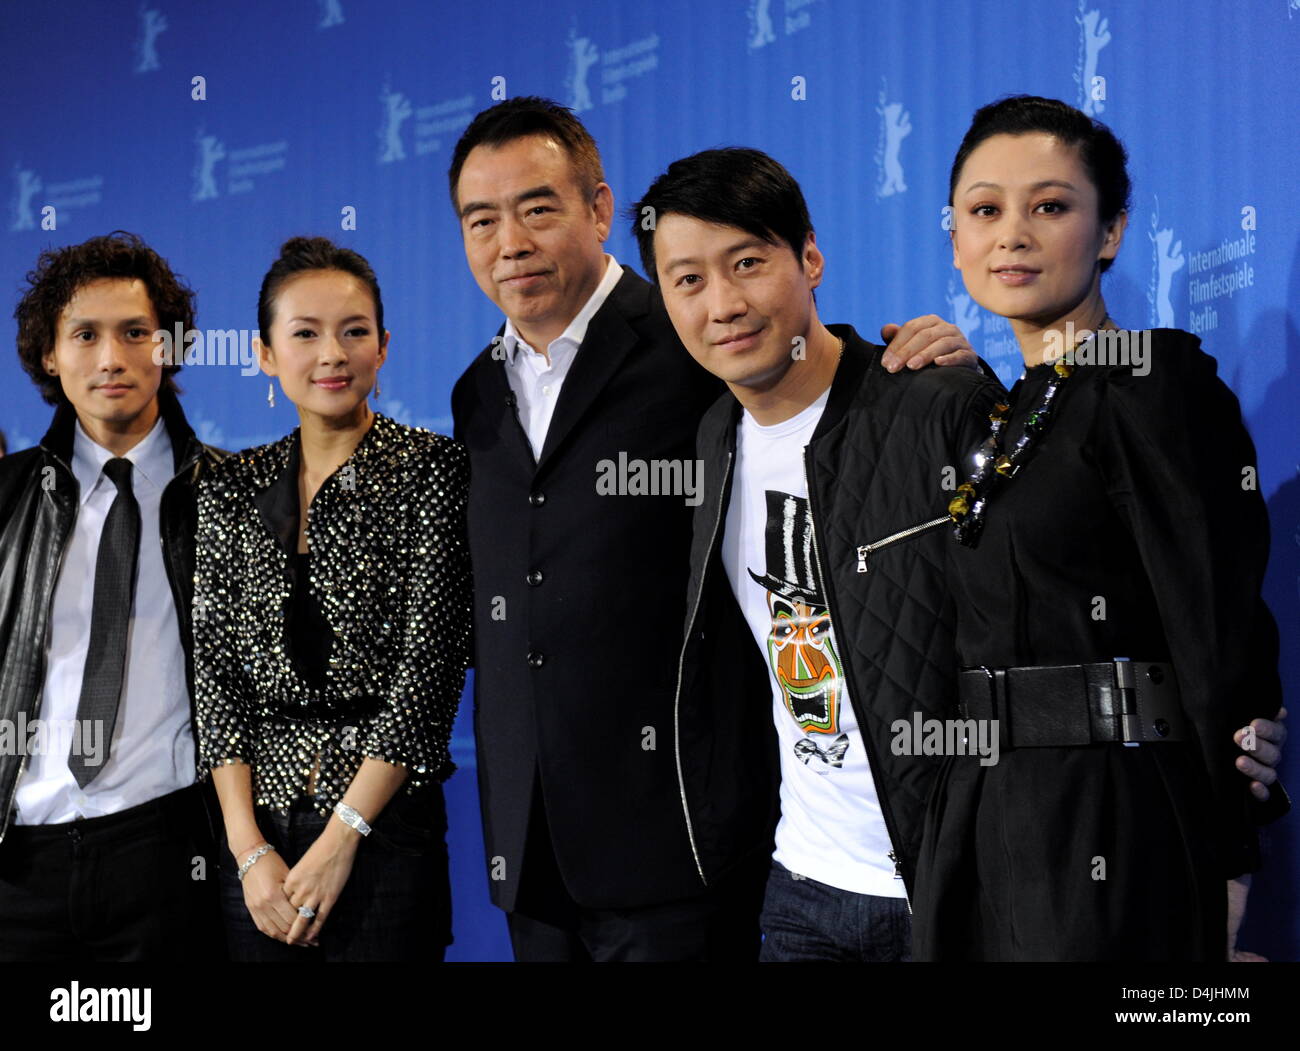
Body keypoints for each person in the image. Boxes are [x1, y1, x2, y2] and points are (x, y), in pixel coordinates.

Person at [631, 145, 1288, 962]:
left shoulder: (935, 399)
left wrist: (1230, 773)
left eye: (748, 262)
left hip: (957, 880)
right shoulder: (712, 442)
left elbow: (1104, 591)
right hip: (800, 887)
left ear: (810, 257)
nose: (722, 302)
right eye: (687, 279)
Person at [448, 97, 971, 961]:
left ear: (601, 210)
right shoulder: (478, 392)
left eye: (538, 207)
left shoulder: (691, 347)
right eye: (482, 219)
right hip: (544, 858)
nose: (511, 241)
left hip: (696, 854)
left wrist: (929, 360)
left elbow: (825, 399)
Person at [911, 95, 1288, 961]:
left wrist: (1225, 877)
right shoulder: (1000, 418)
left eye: (1050, 206)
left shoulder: (1154, 383)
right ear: (957, 237)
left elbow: (1215, 633)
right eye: (984, 210)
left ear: (1112, 231)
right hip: (984, 820)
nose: (1013, 234)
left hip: (1117, 823)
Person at [192, 236, 471, 962]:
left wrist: (343, 834)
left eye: (354, 331)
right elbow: (217, 678)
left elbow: (429, 673)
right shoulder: (230, 488)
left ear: (384, 346)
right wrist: (246, 848)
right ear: (263, 353)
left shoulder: (432, 470)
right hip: (258, 848)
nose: (332, 354)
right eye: (305, 333)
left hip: (387, 832)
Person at [0, 231, 226, 960]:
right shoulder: (6, 499)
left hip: (165, 853)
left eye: (136, 333)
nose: (111, 358)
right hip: (17, 862)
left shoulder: (234, 495)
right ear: (47, 354)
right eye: (85, 334)